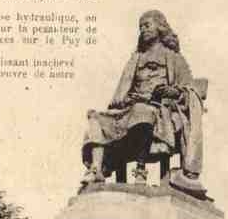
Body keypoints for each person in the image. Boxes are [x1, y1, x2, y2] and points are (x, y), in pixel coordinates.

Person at [81, 10, 204, 193]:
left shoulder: (174, 58)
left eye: (147, 25)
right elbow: (122, 93)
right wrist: (125, 100)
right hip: (131, 108)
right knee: (95, 118)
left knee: (142, 112)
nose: (143, 29)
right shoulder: (136, 59)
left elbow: (189, 89)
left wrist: (173, 91)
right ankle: (96, 170)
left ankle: (140, 170)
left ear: (160, 28)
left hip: (160, 108)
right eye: (140, 27)